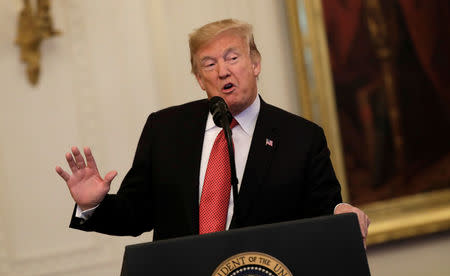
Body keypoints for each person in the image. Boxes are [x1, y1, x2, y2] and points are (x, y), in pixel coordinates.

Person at [56, 19, 370, 245]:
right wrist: (92, 205)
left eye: (232, 58)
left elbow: (324, 210)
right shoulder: (164, 130)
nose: (222, 71)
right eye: (208, 64)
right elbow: (135, 215)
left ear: (255, 63)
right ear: (198, 78)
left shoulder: (301, 138)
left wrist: (340, 213)